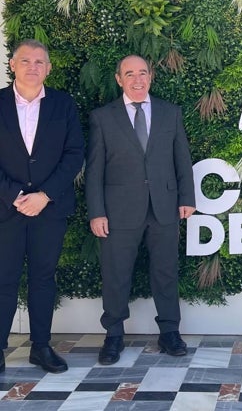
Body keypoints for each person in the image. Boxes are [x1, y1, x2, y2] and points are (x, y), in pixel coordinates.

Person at [85, 55, 196, 365]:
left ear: (151, 76)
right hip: (118, 211)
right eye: (129, 74)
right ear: (119, 79)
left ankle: (170, 332)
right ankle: (114, 335)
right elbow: (94, 171)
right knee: (116, 274)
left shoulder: (169, 113)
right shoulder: (103, 118)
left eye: (143, 73)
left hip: (164, 208)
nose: (137, 79)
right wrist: (96, 212)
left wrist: (187, 197)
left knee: (166, 272)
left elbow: (181, 160)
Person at [0, 39, 84, 373]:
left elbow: (75, 153)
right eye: (26, 60)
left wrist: (45, 195)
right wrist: (13, 196)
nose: (33, 67)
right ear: (12, 65)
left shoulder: (63, 104)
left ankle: (41, 346)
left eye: (40, 62)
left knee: (43, 278)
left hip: (50, 208)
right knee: (3, 279)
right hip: (6, 209)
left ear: (49, 68)